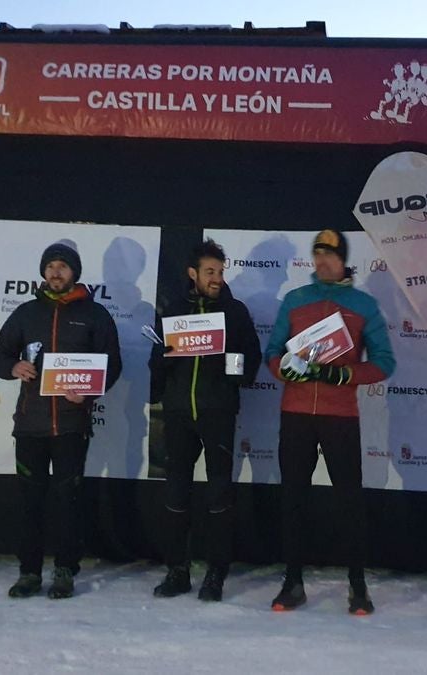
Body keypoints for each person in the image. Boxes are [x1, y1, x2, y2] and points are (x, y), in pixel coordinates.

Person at [264, 229, 395, 615]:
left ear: (343, 261)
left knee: (350, 500)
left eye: (330, 255)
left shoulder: (363, 305)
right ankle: (292, 582)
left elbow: (384, 362)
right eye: (317, 255)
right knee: (293, 499)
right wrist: (287, 368)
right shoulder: (294, 300)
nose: (322, 261)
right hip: (296, 413)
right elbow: (272, 354)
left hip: (341, 416)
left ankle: (357, 584)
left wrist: (345, 375)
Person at [0, 239, 122, 600]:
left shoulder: (94, 315)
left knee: (68, 502)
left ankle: (64, 570)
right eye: (51, 266)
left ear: (74, 272)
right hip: (30, 425)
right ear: (44, 272)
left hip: (70, 425)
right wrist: (12, 366)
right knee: (29, 503)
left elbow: (112, 365)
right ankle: (29, 572)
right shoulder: (27, 313)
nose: (56, 272)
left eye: (63, 266)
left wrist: (89, 392)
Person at [149, 239, 261, 601]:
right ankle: (177, 570)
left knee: (219, 496)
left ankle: (216, 573)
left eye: (220, 272)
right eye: (210, 272)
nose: (216, 278)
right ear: (192, 273)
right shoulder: (173, 312)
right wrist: (165, 359)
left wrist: (233, 368)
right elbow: (156, 367)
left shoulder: (236, 311)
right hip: (179, 414)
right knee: (176, 495)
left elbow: (251, 361)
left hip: (217, 413)